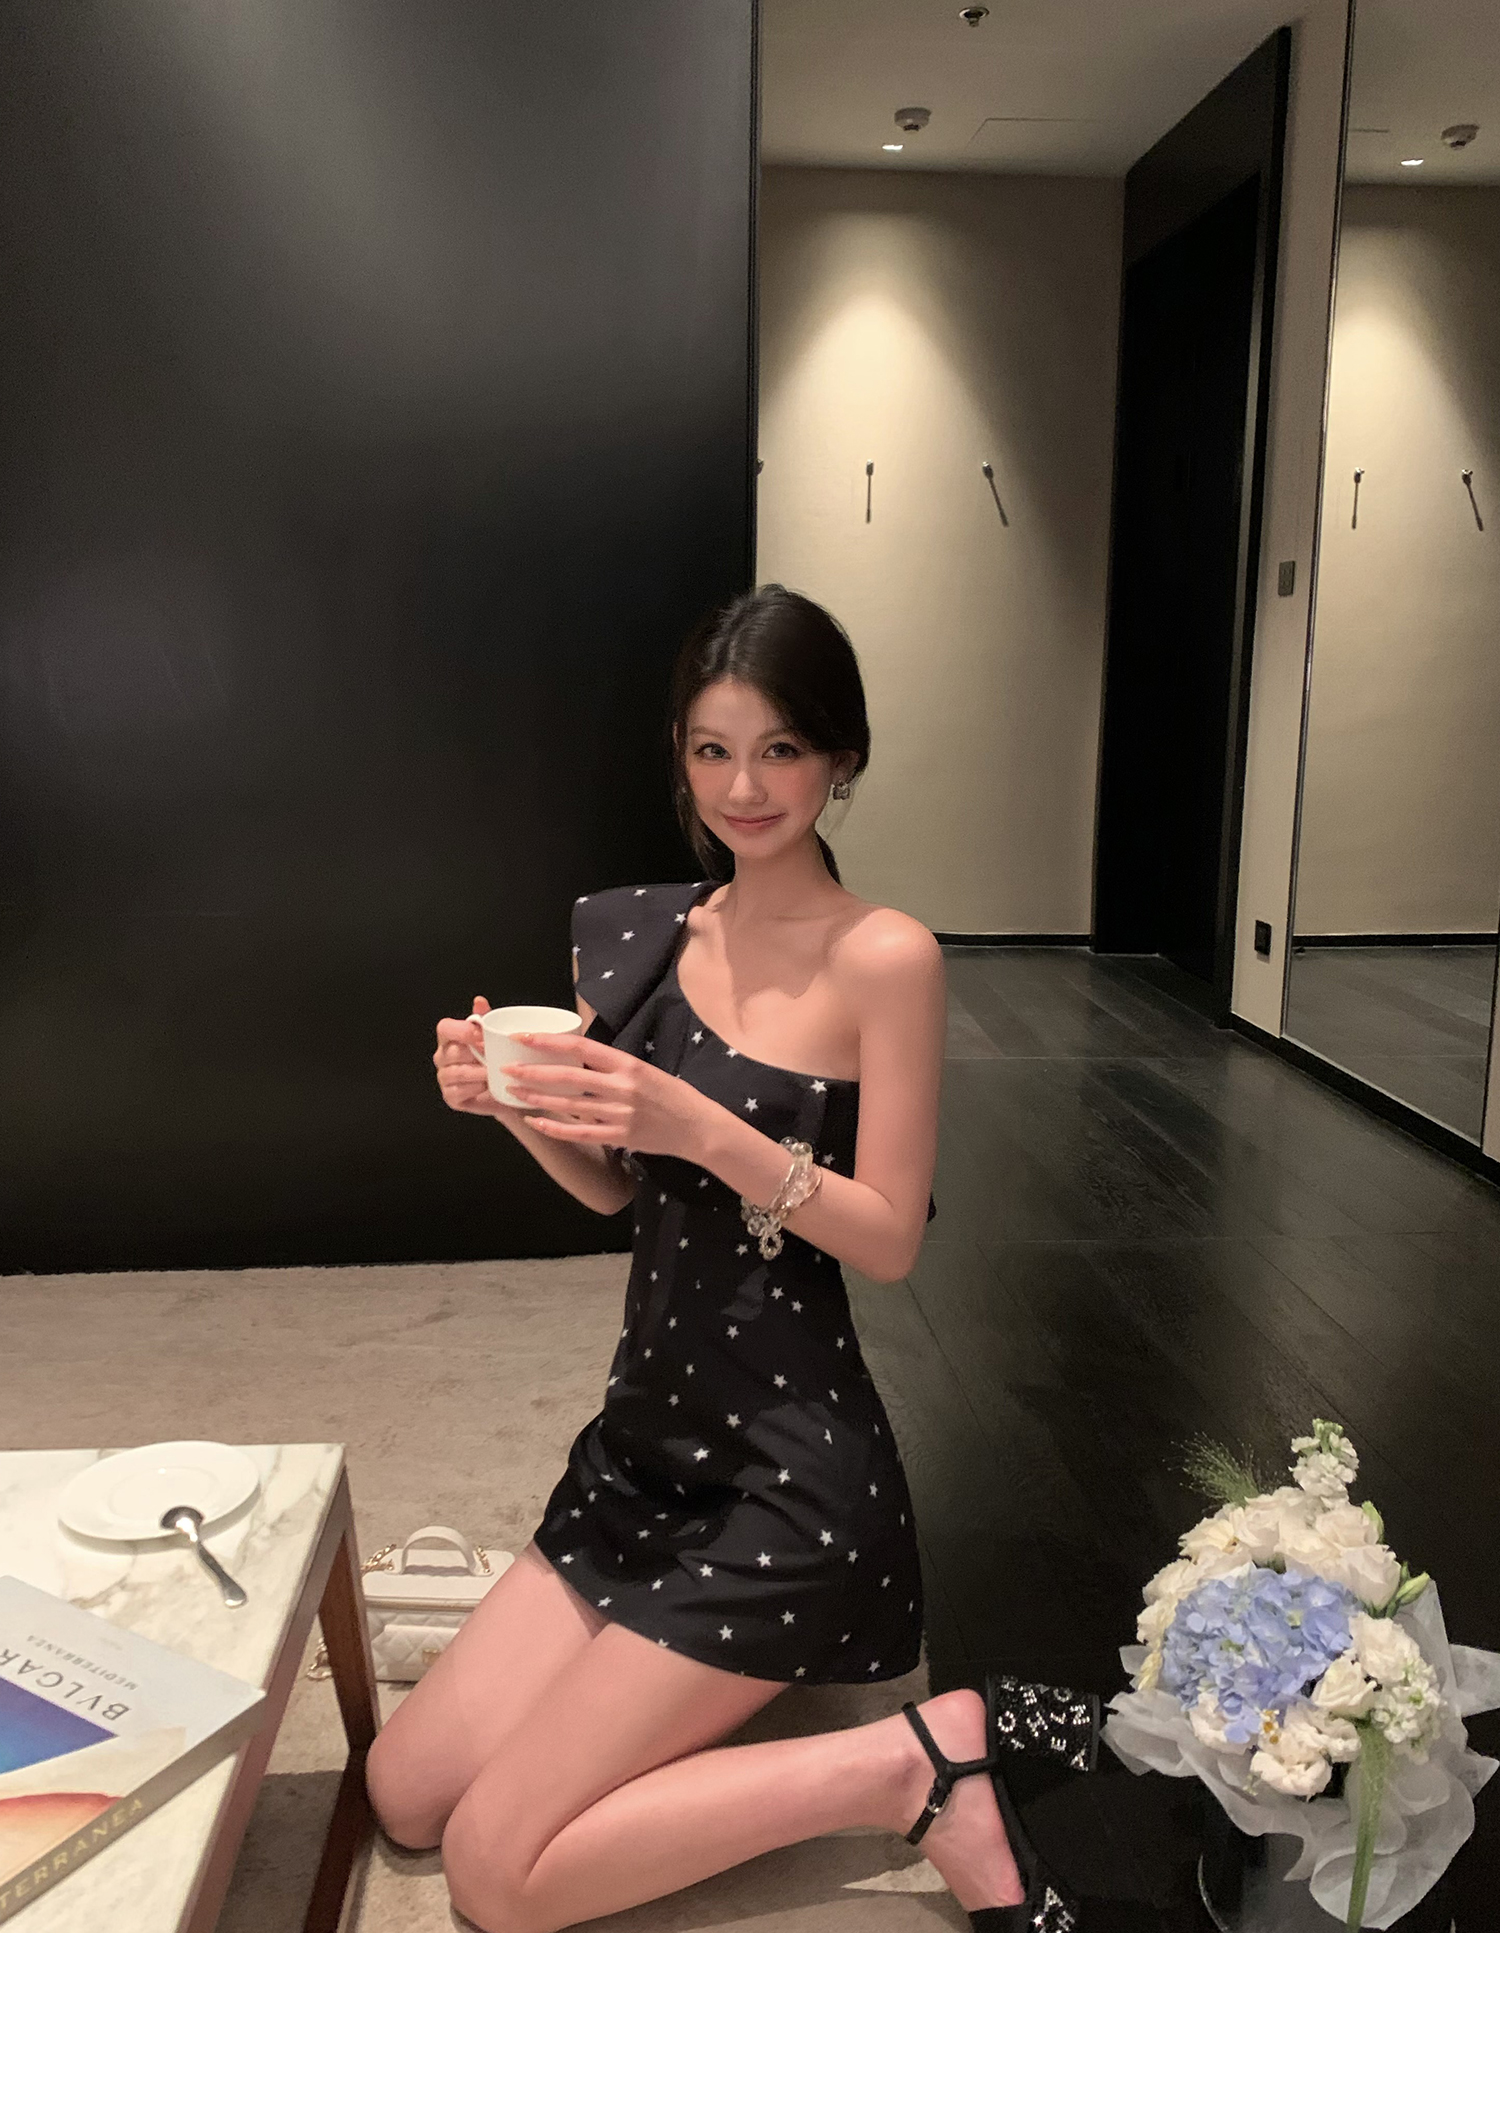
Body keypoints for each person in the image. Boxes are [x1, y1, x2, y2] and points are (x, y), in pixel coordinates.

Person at [366, 584, 1088, 1931]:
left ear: (841, 757)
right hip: (647, 1442)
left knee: (494, 1872)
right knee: (403, 1792)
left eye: (780, 749)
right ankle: (734, 1707)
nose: (743, 788)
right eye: (712, 750)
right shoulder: (651, 936)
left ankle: (915, 1763)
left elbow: (888, 1236)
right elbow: (614, 1191)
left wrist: (699, 1125)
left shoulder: (888, 956)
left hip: (789, 1476)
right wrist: (512, 1104)